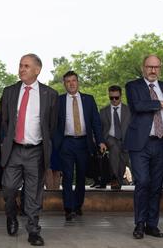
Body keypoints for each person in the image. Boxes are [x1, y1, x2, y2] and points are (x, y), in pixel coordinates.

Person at [1, 54, 58, 246]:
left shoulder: (49, 94)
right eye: (20, 65)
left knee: (33, 193)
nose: (21, 69)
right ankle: (11, 215)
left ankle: (33, 231)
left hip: (36, 151)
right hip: (14, 149)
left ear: (37, 70)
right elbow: (5, 121)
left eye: (26, 66)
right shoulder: (9, 91)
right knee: (8, 188)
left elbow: (51, 125)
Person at [125, 54, 163, 240]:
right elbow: (137, 106)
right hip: (140, 144)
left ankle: (152, 224)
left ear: (160, 68)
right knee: (142, 182)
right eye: (149, 67)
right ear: (143, 67)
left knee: (156, 186)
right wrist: (159, 104)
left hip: (162, 142)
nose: (152, 70)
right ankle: (139, 224)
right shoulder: (133, 86)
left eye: (156, 67)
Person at [53, 71, 105, 221]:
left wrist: (100, 140)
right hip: (66, 143)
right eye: (68, 81)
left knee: (81, 176)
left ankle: (78, 205)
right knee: (68, 176)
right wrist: (55, 142)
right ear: (64, 84)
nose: (71, 83)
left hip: (84, 143)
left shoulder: (88, 99)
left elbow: (96, 122)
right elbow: (53, 123)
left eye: (74, 80)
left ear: (78, 82)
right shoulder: (59, 101)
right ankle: (68, 208)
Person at [99, 85, 131, 190]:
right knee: (114, 146)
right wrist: (100, 142)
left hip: (125, 139)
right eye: (111, 98)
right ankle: (114, 178)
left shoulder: (129, 110)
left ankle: (117, 180)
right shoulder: (103, 111)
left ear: (120, 96)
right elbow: (99, 128)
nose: (114, 100)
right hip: (110, 137)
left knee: (123, 158)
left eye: (116, 97)